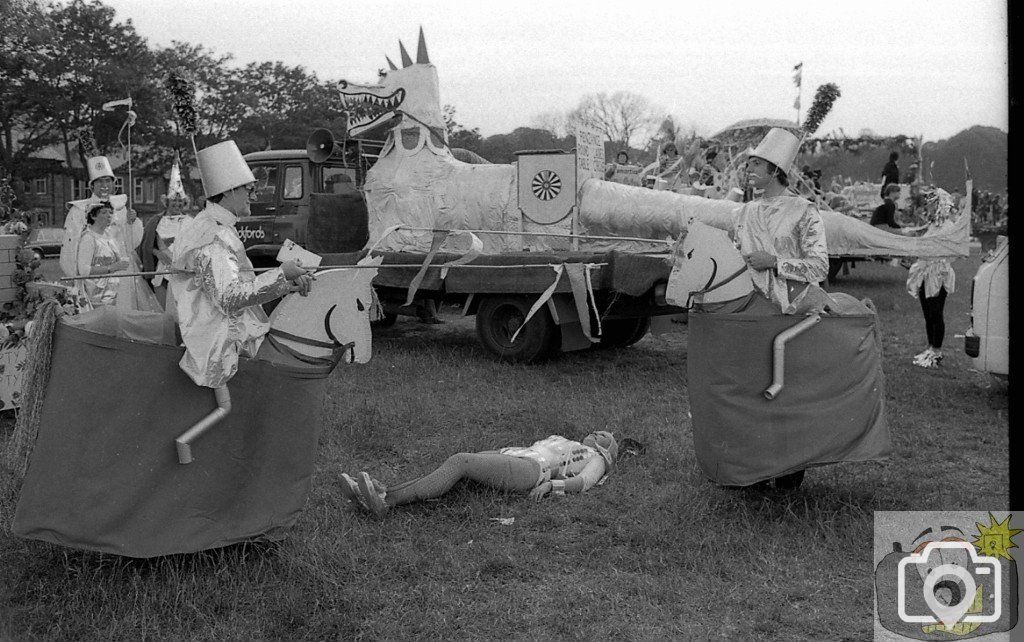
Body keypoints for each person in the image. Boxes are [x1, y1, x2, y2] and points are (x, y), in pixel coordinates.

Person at [168, 140, 315, 392]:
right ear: (228, 191)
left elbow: (236, 279)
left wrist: (287, 281)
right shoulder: (214, 235)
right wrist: (281, 274)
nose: (254, 196)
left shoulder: (210, 224)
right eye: (249, 189)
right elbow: (228, 296)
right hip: (218, 338)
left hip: (225, 326)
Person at [340, 431, 618, 516]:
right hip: (514, 455)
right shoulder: (573, 441)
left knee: (460, 462)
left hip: (533, 470)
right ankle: (378, 493)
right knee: (456, 465)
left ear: (609, 451)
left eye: (604, 436)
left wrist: (552, 487)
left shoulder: (596, 458)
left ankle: (386, 501)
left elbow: (585, 482)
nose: (597, 434)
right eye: (597, 431)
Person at [731, 128, 829, 314]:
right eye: (748, 164)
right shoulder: (744, 211)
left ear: (775, 170)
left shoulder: (803, 210)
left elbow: (820, 268)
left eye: (756, 164)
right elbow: (735, 258)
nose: (748, 169)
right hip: (747, 304)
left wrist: (775, 262)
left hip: (794, 306)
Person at [60, 155, 143, 282]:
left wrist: (131, 223)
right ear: (92, 186)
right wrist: (74, 274)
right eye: (99, 181)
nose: (104, 185)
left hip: (120, 269)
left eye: (108, 181)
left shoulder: (120, 207)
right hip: (92, 271)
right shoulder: (79, 210)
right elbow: (71, 244)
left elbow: (129, 242)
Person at [906, 189, 958, 368]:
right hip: (924, 273)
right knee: (928, 314)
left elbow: (953, 252)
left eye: (933, 204)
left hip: (939, 274)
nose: (930, 207)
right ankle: (930, 348)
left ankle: (937, 350)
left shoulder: (949, 227)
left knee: (936, 312)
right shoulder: (933, 226)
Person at [139, 158, 192, 308]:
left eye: (179, 202)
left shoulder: (190, 221)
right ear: (167, 202)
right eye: (173, 201)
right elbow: (145, 245)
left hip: (184, 271)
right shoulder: (156, 220)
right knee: (165, 311)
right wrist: (156, 252)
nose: (177, 204)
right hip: (162, 271)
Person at [75, 202, 130, 308]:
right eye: (104, 212)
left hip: (112, 293)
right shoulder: (88, 238)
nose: (109, 216)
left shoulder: (109, 236)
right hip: (95, 295)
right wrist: (112, 268)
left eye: (110, 212)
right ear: (93, 215)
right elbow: (84, 270)